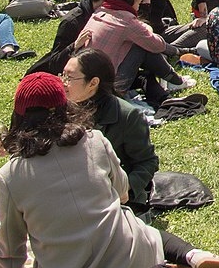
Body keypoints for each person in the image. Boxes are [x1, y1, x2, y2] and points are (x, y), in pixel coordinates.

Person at [0, 73, 219, 268]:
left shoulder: (10, 176)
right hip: (136, 259)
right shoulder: (95, 140)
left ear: (19, 116)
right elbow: (123, 193)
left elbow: (11, 254)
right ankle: (185, 260)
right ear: (66, 106)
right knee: (130, 221)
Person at [61, 48, 159, 210]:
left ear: (93, 83)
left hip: (111, 197)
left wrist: (125, 189)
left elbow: (147, 162)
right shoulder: (60, 108)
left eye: (69, 78)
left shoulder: (126, 115)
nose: (63, 83)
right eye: (62, 75)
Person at [83, 0, 194, 107]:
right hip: (107, 92)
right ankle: (175, 80)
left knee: (142, 44)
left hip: (88, 88)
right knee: (141, 47)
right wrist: (148, 29)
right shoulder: (126, 20)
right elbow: (156, 45)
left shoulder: (101, 12)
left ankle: (174, 75)